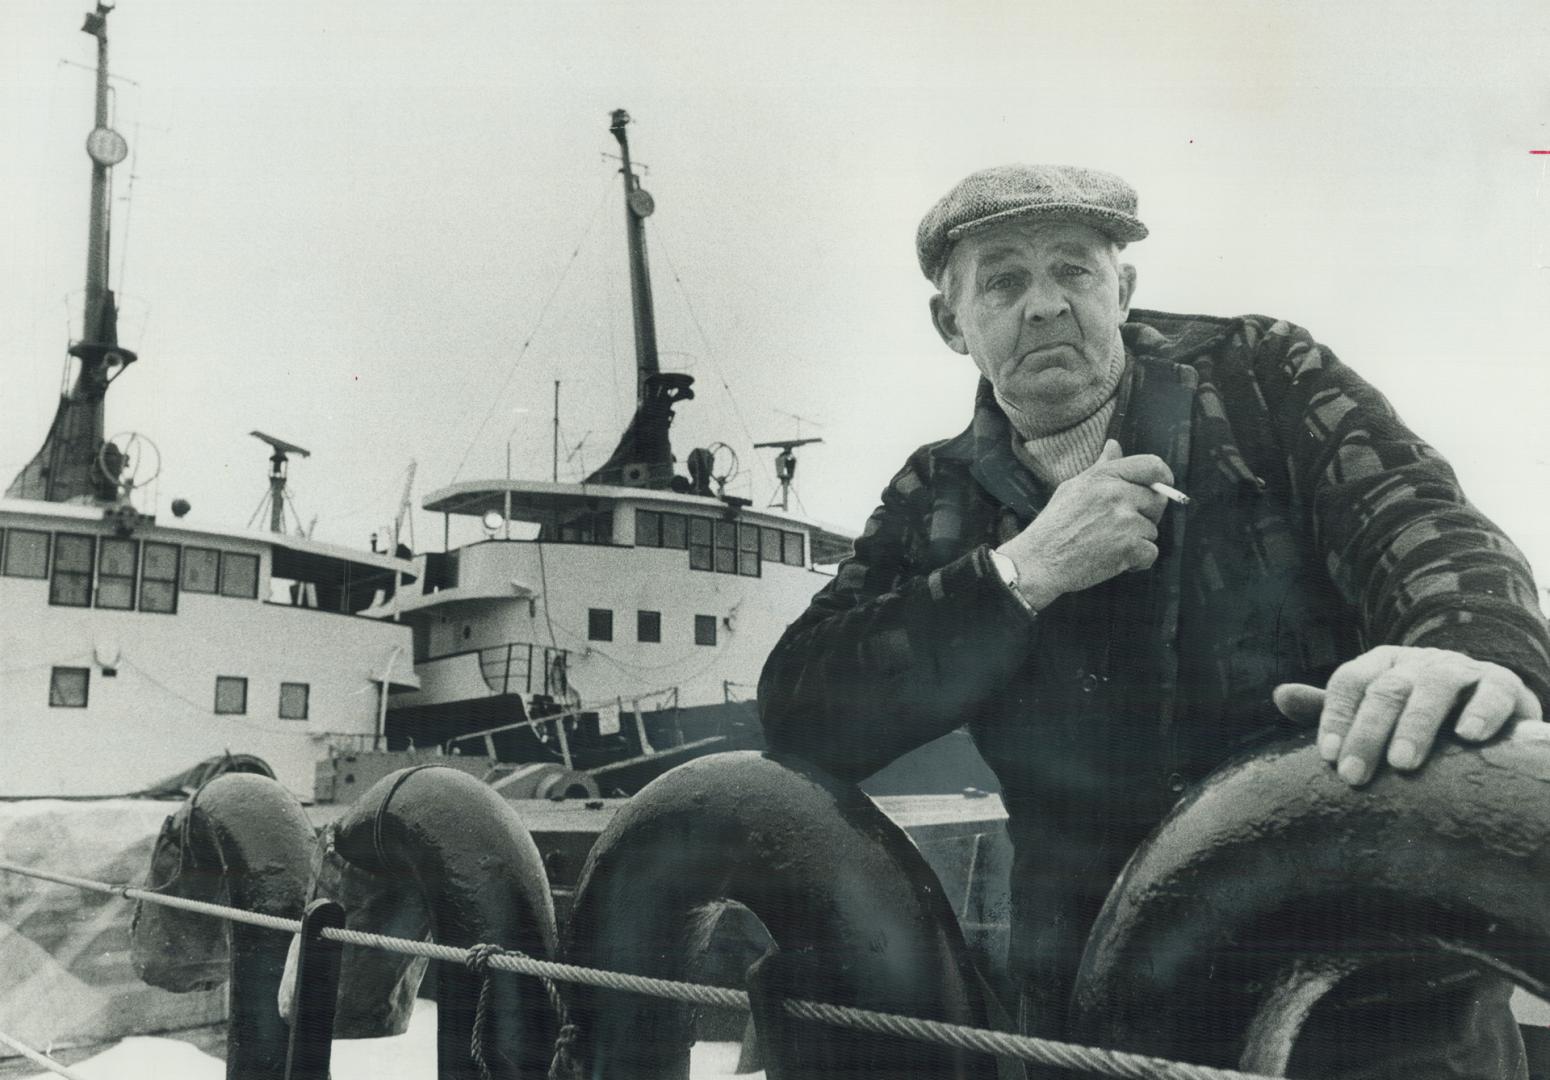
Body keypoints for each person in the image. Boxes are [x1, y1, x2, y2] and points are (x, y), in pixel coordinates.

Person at [757, 164, 1550, 1077]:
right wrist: (1022, 573)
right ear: (952, 324)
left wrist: (1462, 650)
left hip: (1360, 1003)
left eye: (1076, 271)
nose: (1046, 304)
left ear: (1123, 289)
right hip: (1092, 1007)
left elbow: (1419, 521)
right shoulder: (932, 495)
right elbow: (799, 707)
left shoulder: (1264, 374)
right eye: (1004, 280)